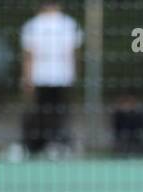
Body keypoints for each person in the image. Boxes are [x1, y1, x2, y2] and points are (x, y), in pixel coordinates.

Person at [20, 2, 83, 157]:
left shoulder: (32, 25)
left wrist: (27, 78)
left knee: (41, 111)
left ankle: (44, 145)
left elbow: (28, 56)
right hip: (61, 77)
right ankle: (54, 145)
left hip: (40, 77)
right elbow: (73, 54)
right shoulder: (69, 23)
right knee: (58, 112)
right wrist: (74, 75)